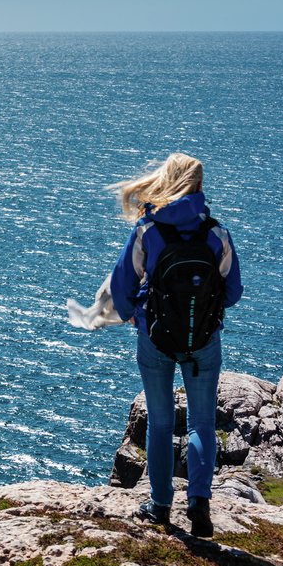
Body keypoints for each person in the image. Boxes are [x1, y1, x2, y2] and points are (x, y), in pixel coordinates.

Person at [109, 153, 243, 538]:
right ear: (199, 186)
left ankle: (160, 505)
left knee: (161, 422)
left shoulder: (147, 230)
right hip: (203, 340)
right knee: (202, 423)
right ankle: (199, 503)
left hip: (155, 339)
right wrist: (203, 311)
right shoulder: (216, 233)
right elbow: (233, 291)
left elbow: (122, 289)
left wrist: (138, 314)